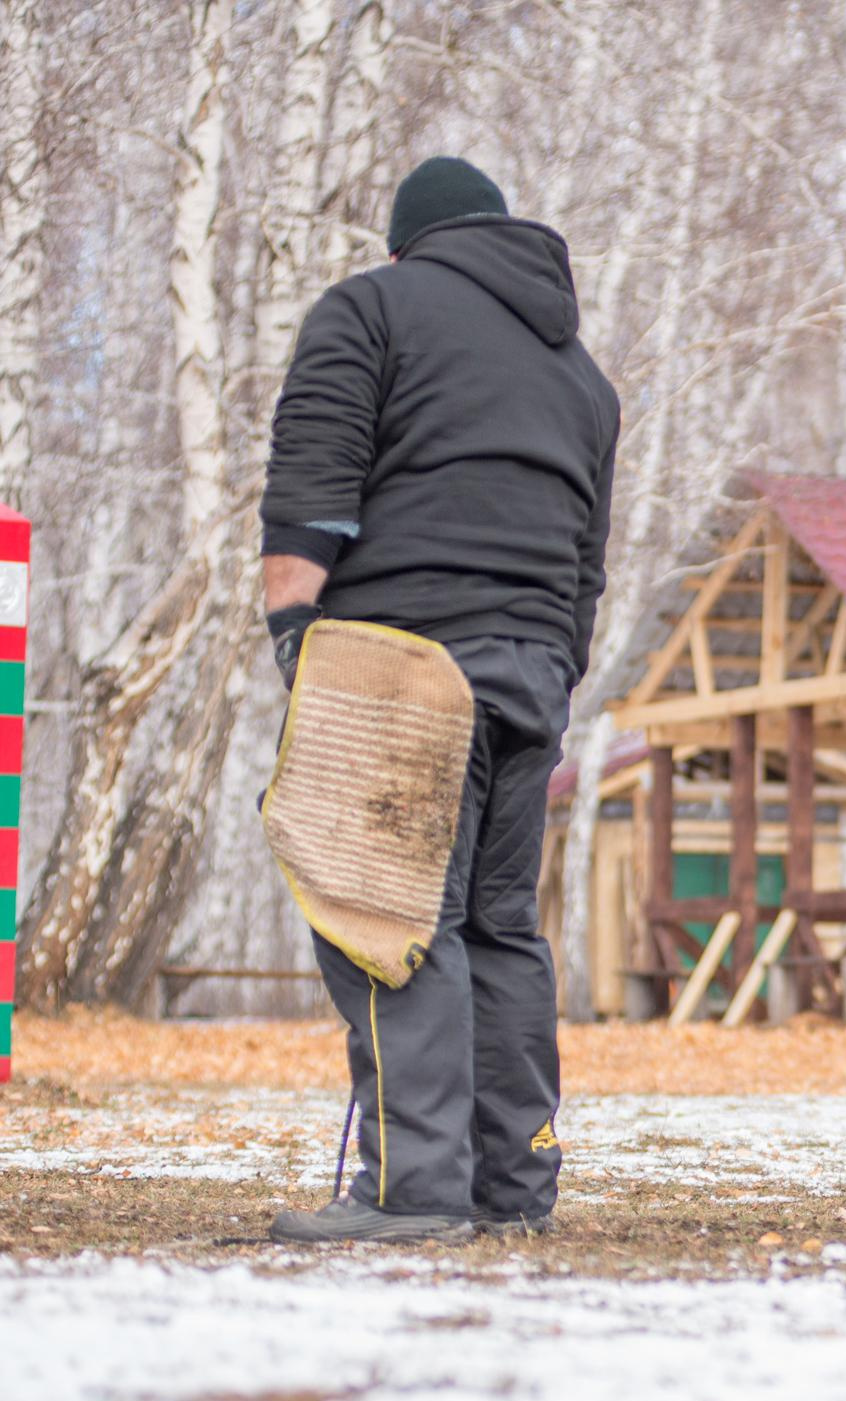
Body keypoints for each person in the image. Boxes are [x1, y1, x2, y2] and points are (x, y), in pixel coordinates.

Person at [258, 157, 620, 1245]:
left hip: (400, 661)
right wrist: (554, 668)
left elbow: (311, 485)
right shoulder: (583, 379)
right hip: (531, 672)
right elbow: (587, 563)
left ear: (406, 243)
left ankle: (411, 1193)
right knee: (499, 926)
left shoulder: (370, 309)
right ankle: (511, 1191)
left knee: (383, 915)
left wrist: (294, 635)